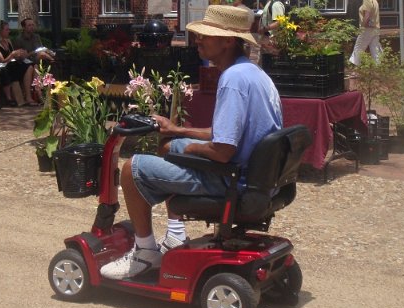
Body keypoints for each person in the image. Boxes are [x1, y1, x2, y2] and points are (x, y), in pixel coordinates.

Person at [100, 5, 284, 280]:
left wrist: (184, 147)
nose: (198, 39)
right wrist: (178, 130)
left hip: (232, 179)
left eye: (206, 35)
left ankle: (145, 251)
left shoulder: (232, 79)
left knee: (133, 168)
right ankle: (175, 234)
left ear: (228, 41)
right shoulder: (254, 74)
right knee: (171, 148)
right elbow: (224, 132)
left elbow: (222, 151)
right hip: (255, 176)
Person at [0, 21, 37, 106]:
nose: (9, 31)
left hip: (13, 65)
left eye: (9, 29)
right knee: (11, 71)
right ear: (0, 31)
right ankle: (13, 98)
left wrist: (20, 54)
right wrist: (12, 54)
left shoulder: (8, 41)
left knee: (30, 66)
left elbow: (14, 56)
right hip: (5, 67)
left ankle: (28, 96)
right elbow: (2, 61)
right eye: (7, 30)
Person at [349, 0, 382, 66]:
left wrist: (362, 27)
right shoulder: (375, 1)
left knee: (358, 47)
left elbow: (367, 15)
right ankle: (379, 68)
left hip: (367, 29)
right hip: (375, 28)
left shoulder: (367, 0)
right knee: (375, 49)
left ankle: (356, 69)